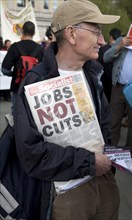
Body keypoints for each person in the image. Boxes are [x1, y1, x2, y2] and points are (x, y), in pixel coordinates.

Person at [14, 1, 120, 220]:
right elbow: (31, 153)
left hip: (105, 185)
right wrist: (89, 162)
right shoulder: (36, 83)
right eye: (96, 32)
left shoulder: (93, 75)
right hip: (67, 195)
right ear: (71, 34)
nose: (102, 40)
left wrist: (109, 162)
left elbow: (105, 125)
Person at [103, 15, 132, 152]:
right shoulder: (122, 41)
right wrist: (120, 45)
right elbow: (105, 57)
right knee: (113, 122)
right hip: (118, 87)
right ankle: (112, 153)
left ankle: (129, 153)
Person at [1, 21, 44, 114]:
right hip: (34, 88)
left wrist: (14, 74)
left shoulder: (14, 47)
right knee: (33, 114)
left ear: (22, 32)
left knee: (16, 114)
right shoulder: (40, 49)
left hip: (17, 86)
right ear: (34, 33)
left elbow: (4, 69)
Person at [98, 28, 121, 102]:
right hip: (114, 84)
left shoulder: (103, 50)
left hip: (104, 83)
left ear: (111, 37)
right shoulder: (122, 49)